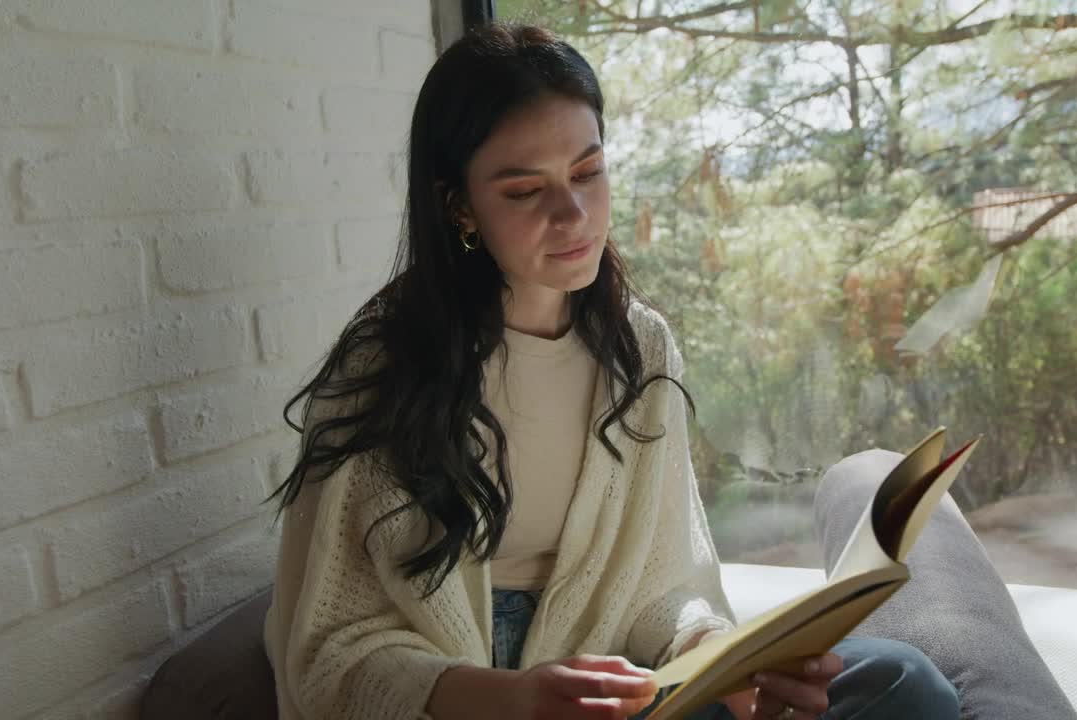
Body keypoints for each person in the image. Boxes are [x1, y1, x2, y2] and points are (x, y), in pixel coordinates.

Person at [262, 21, 960, 720]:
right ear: (459, 205)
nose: (573, 214)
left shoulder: (640, 349)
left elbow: (662, 586)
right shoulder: (386, 364)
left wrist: (725, 656)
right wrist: (514, 699)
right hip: (470, 698)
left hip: (625, 692)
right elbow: (332, 654)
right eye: (524, 190)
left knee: (903, 683)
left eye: (589, 172)